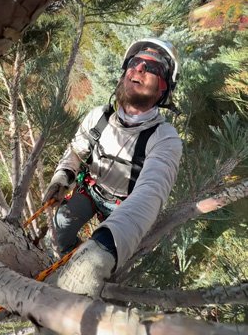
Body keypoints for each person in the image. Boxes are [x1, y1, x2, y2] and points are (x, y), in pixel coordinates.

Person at [45, 37, 183, 298]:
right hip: (92, 190)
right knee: (61, 225)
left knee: (112, 266)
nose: (139, 69)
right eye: (134, 62)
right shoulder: (98, 117)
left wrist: (105, 246)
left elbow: (151, 192)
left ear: (164, 88)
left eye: (152, 68)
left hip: (124, 207)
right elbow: (77, 150)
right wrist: (62, 176)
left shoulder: (165, 139)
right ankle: (68, 256)